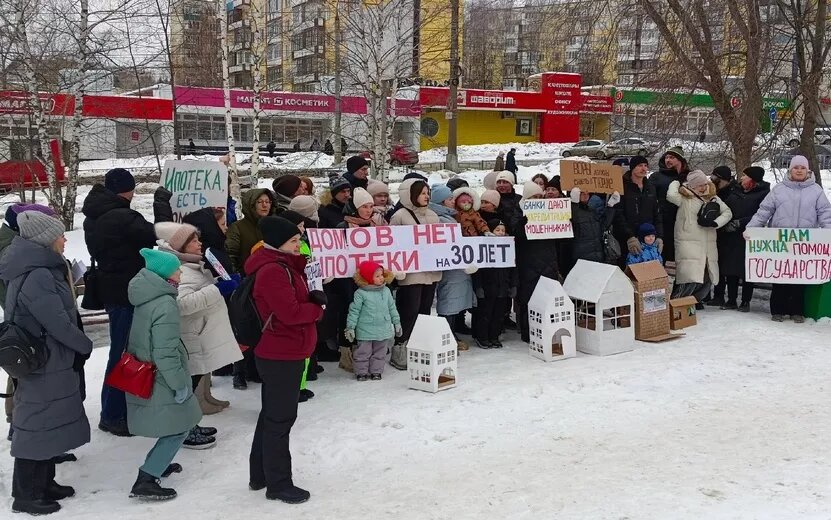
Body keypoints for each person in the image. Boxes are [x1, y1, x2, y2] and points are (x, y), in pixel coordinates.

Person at [0, 211, 93, 516]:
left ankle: (45, 482)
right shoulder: (38, 273)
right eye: (60, 235)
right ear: (45, 239)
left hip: (48, 358)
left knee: (48, 423)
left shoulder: (38, 267)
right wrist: (83, 344)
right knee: (36, 425)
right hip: (45, 360)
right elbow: (57, 322)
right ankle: (25, 494)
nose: (66, 240)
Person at [81, 168, 171, 437]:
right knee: (123, 353)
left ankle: (118, 409)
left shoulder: (94, 215)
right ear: (128, 190)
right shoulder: (121, 216)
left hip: (113, 289)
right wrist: (161, 203)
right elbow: (159, 233)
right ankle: (113, 414)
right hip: (127, 292)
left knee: (122, 351)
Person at [246, 216, 325, 504]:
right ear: (278, 244)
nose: (299, 245)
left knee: (271, 414)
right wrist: (317, 310)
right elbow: (290, 314)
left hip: (285, 350)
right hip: (281, 353)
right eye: (294, 241)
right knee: (280, 419)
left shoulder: (284, 266)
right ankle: (278, 484)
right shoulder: (273, 271)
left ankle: (260, 473)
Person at [126, 248, 202, 500]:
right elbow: (165, 352)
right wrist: (180, 383)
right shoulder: (165, 304)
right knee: (178, 428)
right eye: (176, 268)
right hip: (162, 375)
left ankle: (158, 464)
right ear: (166, 275)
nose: (181, 272)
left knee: (173, 423)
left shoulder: (147, 296)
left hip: (148, 368)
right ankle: (147, 478)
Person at [156, 222, 243, 435]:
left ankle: (189, 426)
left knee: (192, 385)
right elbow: (182, 304)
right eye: (194, 241)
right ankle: (185, 430)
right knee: (187, 388)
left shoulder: (193, 265)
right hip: (192, 337)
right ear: (182, 246)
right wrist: (218, 289)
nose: (199, 243)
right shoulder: (181, 270)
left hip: (198, 334)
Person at [746, 155, 831, 322]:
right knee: (779, 278)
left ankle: (796, 311)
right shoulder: (779, 190)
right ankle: (777, 310)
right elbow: (764, 211)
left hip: (803, 246)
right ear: (790, 170)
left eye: (802, 168)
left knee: (799, 280)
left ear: (808, 171)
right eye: (796, 168)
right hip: (780, 243)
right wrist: (751, 229)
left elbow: (825, 215)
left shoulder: (816, 191)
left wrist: (829, 234)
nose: (799, 170)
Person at [0, 204, 56, 433]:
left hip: (18, 312)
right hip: (22, 315)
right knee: (24, 367)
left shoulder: (10, 242)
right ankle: (18, 421)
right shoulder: (10, 247)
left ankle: (19, 419)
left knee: (23, 367)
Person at [389, 179, 442, 347]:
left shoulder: (433, 215)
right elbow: (392, 243)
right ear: (411, 195)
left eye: (428, 193)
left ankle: (420, 343)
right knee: (409, 310)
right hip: (411, 272)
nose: (426, 196)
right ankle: (402, 343)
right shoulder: (400, 216)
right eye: (422, 193)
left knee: (425, 310)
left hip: (430, 271)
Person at [666, 170, 732, 304]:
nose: (703, 187)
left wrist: (716, 223)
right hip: (688, 243)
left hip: (707, 243)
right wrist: (675, 181)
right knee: (689, 277)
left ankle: (692, 303)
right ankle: (676, 304)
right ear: (692, 186)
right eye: (699, 185)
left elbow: (727, 212)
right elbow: (670, 195)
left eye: (704, 184)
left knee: (706, 278)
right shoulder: (684, 198)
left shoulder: (712, 197)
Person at [711, 166, 770, 311]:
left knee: (746, 269)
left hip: (749, 235)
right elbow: (726, 208)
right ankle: (731, 299)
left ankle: (745, 301)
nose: (742, 178)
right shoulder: (736, 190)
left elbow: (761, 214)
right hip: (730, 234)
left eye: (745, 176)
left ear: (752, 179)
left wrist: (741, 223)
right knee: (731, 268)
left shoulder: (764, 193)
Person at [515, 181, 560, 343]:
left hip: (549, 262)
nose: (539, 200)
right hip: (528, 264)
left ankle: (546, 330)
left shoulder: (551, 213)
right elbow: (517, 235)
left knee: (547, 299)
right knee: (528, 300)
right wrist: (526, 219)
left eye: (540, 197)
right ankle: (528, 333)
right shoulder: (518, 214)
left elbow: (566, 232)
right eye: (535, 197)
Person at [345, 261, 401, 381]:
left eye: (382, 275)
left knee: (380, 352)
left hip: (383, 329)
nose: (381, 278)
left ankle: (376, 371)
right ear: (368, 278)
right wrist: (350, 327)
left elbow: (392, 307)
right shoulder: (360, 293)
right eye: (377, 276)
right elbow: (354, 311)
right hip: (366, 329)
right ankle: (361, 372)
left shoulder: (386, 291)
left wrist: (397, 322)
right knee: (363, 353)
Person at [473, 219, 517, 348]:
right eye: (497, 230)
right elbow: (477, 269)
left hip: (503, 288)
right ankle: (482, 337)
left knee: (498, 315)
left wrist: (513, 285)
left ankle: (494, 336)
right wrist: (478, 287)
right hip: (487, 288)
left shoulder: (509, 247)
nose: (501, 233)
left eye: (503, 230)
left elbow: (514, 268)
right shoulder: (483, 246)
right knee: (485, 314)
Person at [613, 156, 663, 268]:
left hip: (648, 238)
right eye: (640, 166)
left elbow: (657, 214)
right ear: (632, 168)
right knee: (629, 272)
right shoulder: (622, 186)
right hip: (628, 239)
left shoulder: (650, 187)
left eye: (645, 166)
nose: (644, 168)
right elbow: (618, 215)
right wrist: (629, 237)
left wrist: (659, 236)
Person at [650, 146, 690, 266]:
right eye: (666, 157)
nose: (668, 160)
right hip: (663, 221)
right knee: (662, 256)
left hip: (684, 222)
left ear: (680, 160)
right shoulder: (657, 176)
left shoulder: (688, 176)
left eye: (672, 157)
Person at [226, 188, 275, 275]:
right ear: (250, 204)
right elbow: (230, 256)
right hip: (248, 278)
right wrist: (239, 277)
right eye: (260, 202)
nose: (265, 205)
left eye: (267, 202)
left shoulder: (275, 226)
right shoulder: (237, 227)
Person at [569, 187, 617, 264]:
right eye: (582, 193)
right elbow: (573, 223)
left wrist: (610, 207)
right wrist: (574, 204)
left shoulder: (591, 210)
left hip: (598, 256)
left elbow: (603, 226)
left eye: (587, 193)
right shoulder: (570, 210)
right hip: (581, 259)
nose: (585, 196)